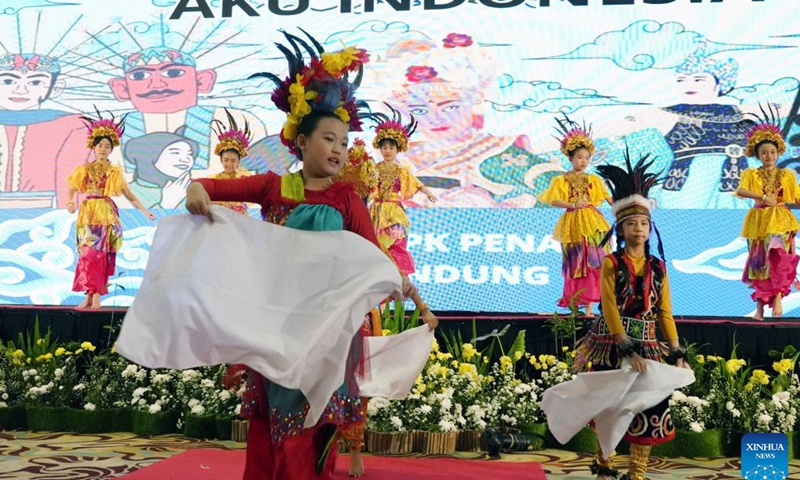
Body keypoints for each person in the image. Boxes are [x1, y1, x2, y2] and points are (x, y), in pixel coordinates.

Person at [184, 31, 437, 480]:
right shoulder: (272, 187)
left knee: (311, 425)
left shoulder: (347, 199)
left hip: (328, 331)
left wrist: (413, 297)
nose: (339, 149)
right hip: (278, 325)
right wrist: (197, 191)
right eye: (328, 139)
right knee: (268, 427)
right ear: (300, 142)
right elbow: (210, 188)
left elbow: (377, 261)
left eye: (343, 141)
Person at [572, 147, 690, 480]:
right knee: (609, 404)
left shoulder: (659, 267)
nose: (638, 228)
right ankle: (605, 460)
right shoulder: (612, 263)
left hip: (650, 344)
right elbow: (607, 304)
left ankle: (637, 472)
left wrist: (677, 350)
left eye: (643, 223)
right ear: (620, 230)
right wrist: (624, 344)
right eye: (631, 223)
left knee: (650, 404)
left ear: (650, 228)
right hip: (611, 342)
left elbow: (665, 312)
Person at [66, 109, 155, 309]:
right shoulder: (84, 169)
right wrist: (70, 202)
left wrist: (143, 210)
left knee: (99, 255)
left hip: (105, 214)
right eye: (100, 146)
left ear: (111, 149)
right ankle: (89, 293)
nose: (103, 149)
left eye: (107, 146)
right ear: (94, 147)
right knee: (87, 254)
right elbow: (71, 189)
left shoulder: (114, 171)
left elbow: (129, 194)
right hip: (88, 214)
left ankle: (96, 294)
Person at [539, 116, 611, 316]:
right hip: (573, 224)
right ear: (570, 158)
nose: (584, 162)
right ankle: (576, 307)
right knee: (576, 264)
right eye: (579, 157)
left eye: (587, 158)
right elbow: (554, 200)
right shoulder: (561, 180)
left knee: (596, 262)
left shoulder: (594, 180)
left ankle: (590, 308)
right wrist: (573, 204)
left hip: (594, 223)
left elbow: (607, 197)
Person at [735, 108, 800, 320]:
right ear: (758, 155)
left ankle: (779, 295)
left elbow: (796, 198)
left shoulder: (787, 175)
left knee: (779, 257)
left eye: (772, 152)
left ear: (778, 152)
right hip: (759, 221)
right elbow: (740, 191)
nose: (768, 156)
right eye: (764, 153)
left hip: (781, 220)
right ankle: (761, 307)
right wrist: (762, 198)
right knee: (758, 264)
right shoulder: (750, 173)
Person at [369, 105, 437, 274]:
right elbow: (365, 186)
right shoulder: (374, 169)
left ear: (397, 149)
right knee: (377, 248)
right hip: (376, 211)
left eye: (391, 148)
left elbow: (417, 183)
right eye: (384, 147)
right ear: (380, 148)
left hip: (394, 212)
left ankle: (400, 281)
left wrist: (428, 193)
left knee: (397, 245)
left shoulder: (401, 170)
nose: (387, 151)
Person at [124, 128, 199, 209]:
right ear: (149, 157)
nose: (186, 159)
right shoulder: (129, 192)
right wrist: (167, 204)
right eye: (175, 153)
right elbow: (133, 220)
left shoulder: (195, 187)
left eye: (189, 154)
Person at [210, 109, 253, 215]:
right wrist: (223, 203)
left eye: (233, 160)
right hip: (219, 217)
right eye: (226, 160)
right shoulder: (214, 179)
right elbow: (205, 199)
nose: (229, 164)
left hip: (240, 217)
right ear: (221, 160)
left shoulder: (245, 178)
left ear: (238, 162)